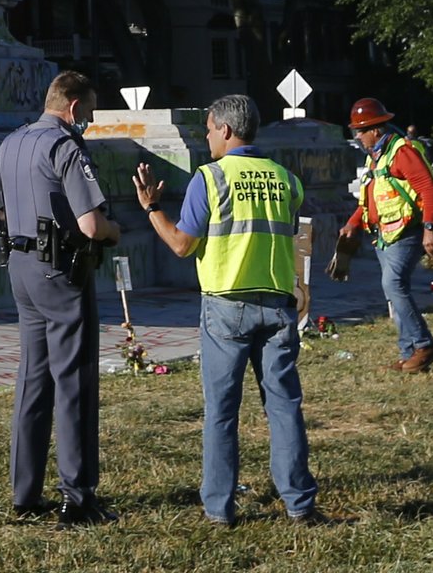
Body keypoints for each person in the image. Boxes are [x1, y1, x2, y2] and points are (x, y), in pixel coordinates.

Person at [134, 95, 322, 527]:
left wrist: (151, 208)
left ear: (225, 129)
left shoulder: (210, 178)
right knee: (284, 406)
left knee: (221, 410)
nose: (206, 137)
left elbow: (182, 245)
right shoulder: (286, 179)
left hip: (226, 305)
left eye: (208, 129)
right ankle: (299, 504)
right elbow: (294, 233)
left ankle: (219, 509)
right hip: (278, 302)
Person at [0, 70, 122, 524]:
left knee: (33, 378)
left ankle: (25, 493)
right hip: (61, 271)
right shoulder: (65, 146)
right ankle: (78, 497)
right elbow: (91, 224)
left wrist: (20, 217)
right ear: (73, 106)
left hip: (20, 268)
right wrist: (113, 231)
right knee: (74, 380)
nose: (89, 120)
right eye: (89, 111)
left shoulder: (12, 142)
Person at [337, 96, 433, 374]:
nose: (357, 136)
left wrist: (429, 229)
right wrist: (352, 224)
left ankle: (424, 345)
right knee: (394, 290)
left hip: (406, 232)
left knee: (393, 284)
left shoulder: (401, 153)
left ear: (376, 129)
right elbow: (369, 201)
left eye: (361, 130)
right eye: (356, 131)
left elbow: (428, 188)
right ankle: (409, 354)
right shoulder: (376, 157)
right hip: (384, 235)